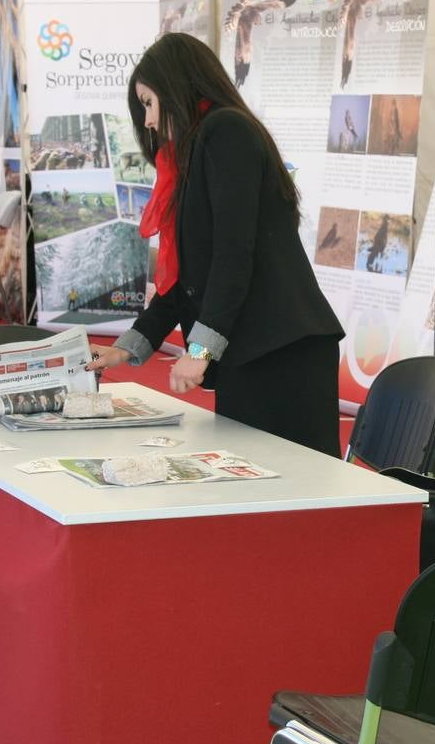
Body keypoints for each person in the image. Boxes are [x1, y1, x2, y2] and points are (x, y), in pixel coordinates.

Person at [86, 33, 344, 456]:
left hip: (282, 351)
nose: (148, 121)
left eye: (149, 103)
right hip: (254, 351)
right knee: (255, 487)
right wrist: (123, 350)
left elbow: (232, 254)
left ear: (177, 87)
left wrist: (200, 349)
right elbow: (186, 281)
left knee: (290, 492)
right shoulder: (193, 153)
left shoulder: (226, 130)